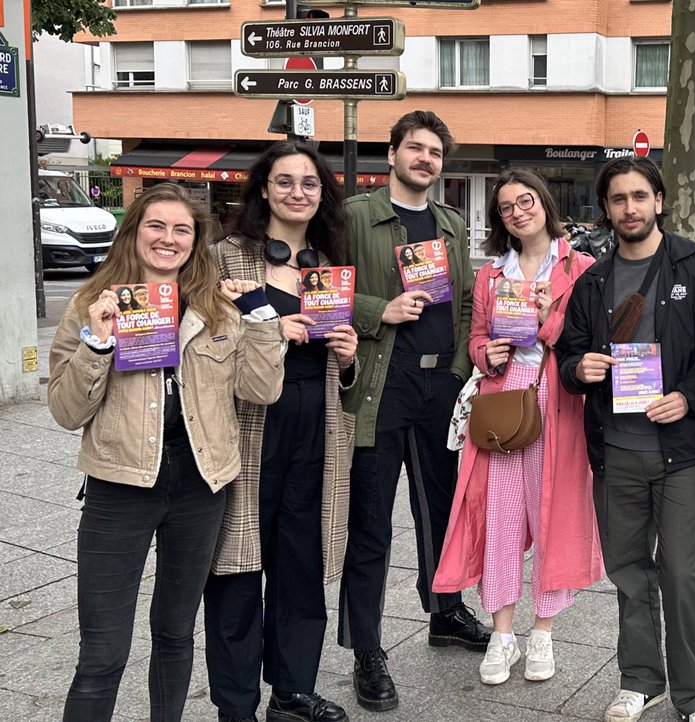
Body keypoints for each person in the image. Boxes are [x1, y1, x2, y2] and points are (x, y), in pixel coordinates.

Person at [48, 183, 286, 722]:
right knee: (102, 654)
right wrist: (98, 343)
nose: (168, 238)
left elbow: (262, 389)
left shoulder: (216, 311)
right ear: (133, 232)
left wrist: (260, 314)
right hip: (120, 486)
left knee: (176, 634)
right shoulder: (89, 304)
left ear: (195, 241)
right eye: (156, 225)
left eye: (182, 229)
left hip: (200, 484)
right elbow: (66, 412)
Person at [558, 156, 695, 722]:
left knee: (681, 572)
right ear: (606, 208)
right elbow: (568, 353)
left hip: (680, 448)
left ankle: (693, 693)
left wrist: (688, 396)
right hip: (615, 450)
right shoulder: (593, 281)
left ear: (659, 201)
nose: (629, 208)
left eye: (640, 196)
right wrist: (576, 370)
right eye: (618, 199)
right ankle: (639, 680)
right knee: (629, 571)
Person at [338, 110, 489, 713]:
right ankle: (367, 650)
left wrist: (459, 373)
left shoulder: (451, 223)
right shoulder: (353, 215)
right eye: (416, 148)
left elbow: (469, 303)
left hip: (441, 388)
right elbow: (319, 288)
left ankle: (446, 611)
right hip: (379, 384)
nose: (426, 159)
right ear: (393, 152)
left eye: (435, 153)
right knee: (371, 523)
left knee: (443, 513)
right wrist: (379, 309)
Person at [204, 142, 359, 722]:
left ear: (323, 195)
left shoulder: (328, 260)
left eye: (310, 183)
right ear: (263, 189)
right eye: (286, 181)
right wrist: (267, 333)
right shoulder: (223, 258)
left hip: (315, 427)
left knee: (303, 562)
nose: (299, 192)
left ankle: (292, 690)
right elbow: (202, 348)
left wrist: (346, 357)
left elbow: (345, 364)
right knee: (238, 569)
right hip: (247, 427)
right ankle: (236, 705)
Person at [433, 168, 603, 686]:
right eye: (506, 207)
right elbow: (476, 338)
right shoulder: (490, 275)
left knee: (551, 509)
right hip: (503, 394)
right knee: (501, 515)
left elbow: (582, 338)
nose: (516, 211)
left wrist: (549, 317)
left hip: (559, 396)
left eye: (524, 200)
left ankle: (543, 633)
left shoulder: (581, 267)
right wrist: (488, 353)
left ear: (544, 203)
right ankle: (502, 635)